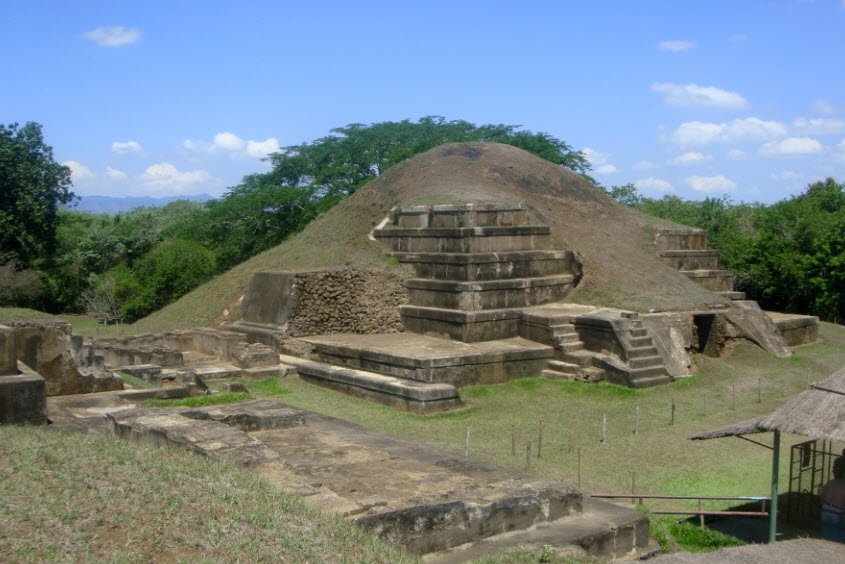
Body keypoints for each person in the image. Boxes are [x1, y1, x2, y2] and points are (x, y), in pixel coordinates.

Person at [821, 455, 845, 542]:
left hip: (826, 508)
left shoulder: (830, 483)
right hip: (839, 511)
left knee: (826, 530)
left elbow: (821, 496)